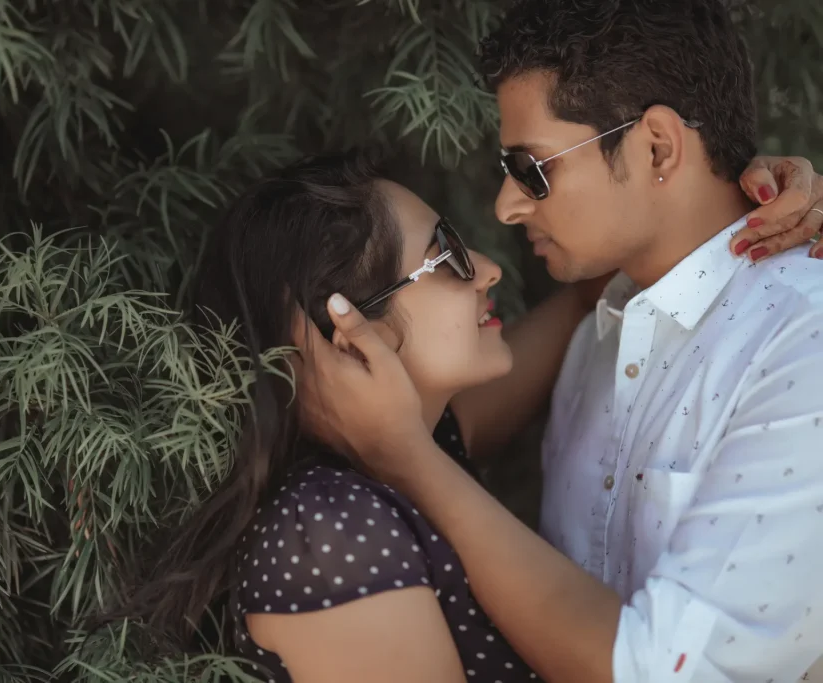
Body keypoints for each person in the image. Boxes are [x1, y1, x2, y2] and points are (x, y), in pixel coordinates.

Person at [101, 134, 822, 681]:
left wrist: (740, 197)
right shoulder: (326, 533)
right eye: (445, 256)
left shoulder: (418, 449)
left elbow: (597, 291)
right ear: (346, 334)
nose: (489, 269)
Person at [291, 1, 823, 682]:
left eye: (533, 168)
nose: (506, 206)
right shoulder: (598, 331)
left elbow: (661, 671)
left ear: (658, 148)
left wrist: (412, 460)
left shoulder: (799, 341)